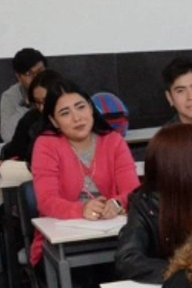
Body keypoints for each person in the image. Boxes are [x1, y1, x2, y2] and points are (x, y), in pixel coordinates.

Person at [29, 79, 140, 265]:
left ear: (90, 108)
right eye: (65, 113)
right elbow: (46, 201)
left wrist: (117, 203)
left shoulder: (113, 141)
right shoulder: (46, 145)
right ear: (53, 121)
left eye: (81, 107)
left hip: (115, 240)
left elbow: (134, 191)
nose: (77, 118)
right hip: (60, 247)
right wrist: (82, 210)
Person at [115, 123, 192, 283]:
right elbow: (127, 259)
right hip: (178, 287)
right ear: (186, 163)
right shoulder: (147, 204)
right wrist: (185, 273)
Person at [0, 68, 65, 163]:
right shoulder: (30, 120)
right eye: (38, 102)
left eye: (46, 101)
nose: (42, 108)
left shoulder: (73, 117)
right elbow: (15, 152)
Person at [0, 47, 47, 141]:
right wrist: (26, 105)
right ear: (18, 76)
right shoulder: (10, 96)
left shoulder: (58, 88)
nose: (36, 77)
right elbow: (7, 136)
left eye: (40, 71)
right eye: (29, 73)